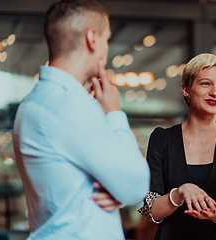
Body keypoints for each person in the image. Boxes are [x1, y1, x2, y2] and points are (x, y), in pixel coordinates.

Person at [12, 0, 150, 239]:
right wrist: (114, 113)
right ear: (92, 38)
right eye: (106, 39)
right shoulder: (68, 104)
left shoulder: (36, 101)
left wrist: (117, 188)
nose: (106, 49)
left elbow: (112, 184)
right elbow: (136, 185)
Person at [138, 53, 216, 240]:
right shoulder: (162, 139)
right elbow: (151, 211)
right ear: (186, 89)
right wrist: (179, 192)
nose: (215, 92)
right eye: (206, 83)